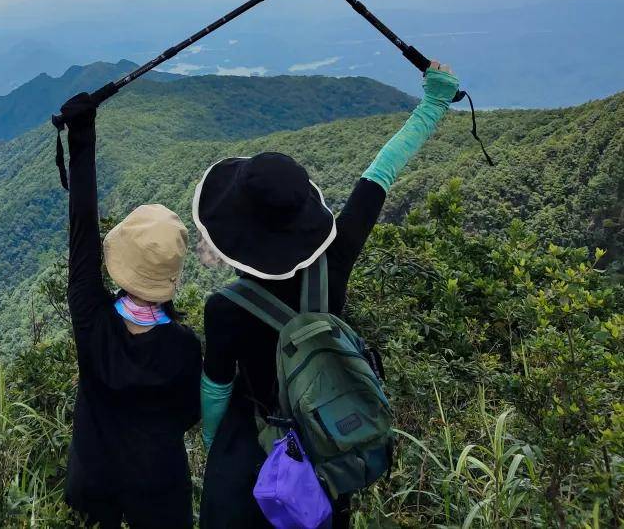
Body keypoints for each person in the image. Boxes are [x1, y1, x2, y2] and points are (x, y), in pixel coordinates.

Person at [196, 63, 461, 528]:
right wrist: (434, 102)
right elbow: (381, 174)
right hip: (325, 445)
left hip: (256, 460)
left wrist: (214, 448)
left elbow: (216, 392)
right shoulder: (335, 260)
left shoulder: (224, 308)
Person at [58, 92, 202, 529]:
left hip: (94, 478)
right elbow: (189, 414)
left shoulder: (91, 318)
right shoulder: (184, 346)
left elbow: (82, 225)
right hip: (159, 487)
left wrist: (82, 135)